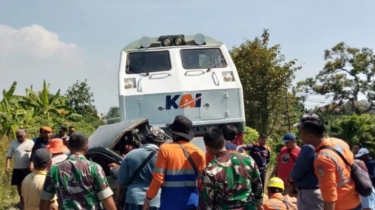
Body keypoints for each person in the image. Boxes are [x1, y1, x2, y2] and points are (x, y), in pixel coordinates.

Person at [296, 113, 360, 210]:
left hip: (343, 205)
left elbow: (329, 193)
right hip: (355, 199)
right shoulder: (339, 142)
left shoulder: (322, 159)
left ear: (310, 136)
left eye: (300, 133)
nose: (299, 136)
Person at [39, 133, 116, 210]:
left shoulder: (54, 170)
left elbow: (45, 200)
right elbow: (106, 198)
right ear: (86, 148)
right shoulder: (94, 168)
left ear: (68, 146)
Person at [143, 115, 206, 210]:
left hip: (170, 204)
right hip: (192, 203)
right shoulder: (199, 152)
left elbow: (158, 179)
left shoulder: (165, 149)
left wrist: (148, 198)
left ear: (173, 132)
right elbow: (202, 182)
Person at [199, 128, 263, 210]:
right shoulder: (247, 159)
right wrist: (259, 204)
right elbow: (258, 187)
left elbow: (206, 202)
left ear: (208, 148)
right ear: (224, 142)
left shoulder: (210, 170)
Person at [117, 127, 167, 210]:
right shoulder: (162, 156)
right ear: (160, 142)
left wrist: (118, 200)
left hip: (133, 199)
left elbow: (121, 182)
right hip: (155, 200)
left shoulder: (130, 155)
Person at [288, 144, 323, 209]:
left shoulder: (308, 148)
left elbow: (296, 173)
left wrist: (289, 179)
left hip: (309, 194)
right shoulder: (325, 148)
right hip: (321, 191)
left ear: (310, 136)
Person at [5, 129, 34, 209]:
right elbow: (9, 155)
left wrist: (33, 164)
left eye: (21, 137)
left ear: (25, 135)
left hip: (28, 169)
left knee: (29, 185)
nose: (20, 138)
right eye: (18, 137)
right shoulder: (13, 143)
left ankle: (29, 201)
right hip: (17, 168)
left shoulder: (31, 142)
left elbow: (34, 154)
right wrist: (7, 165)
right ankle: (22, 200)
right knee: (19, 186)